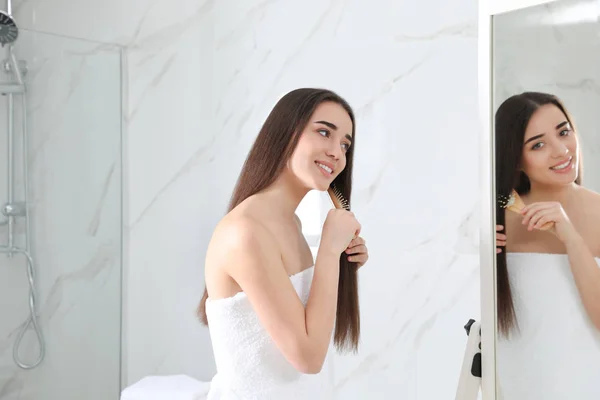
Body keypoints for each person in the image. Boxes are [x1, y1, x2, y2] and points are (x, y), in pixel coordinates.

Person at [197, 88, 370, 399]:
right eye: (323, 132)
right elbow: (307, 357)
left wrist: (344, 259)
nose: (337, 152)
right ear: (287, 132)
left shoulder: (291, 224)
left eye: (345, 144)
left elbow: (306, 323)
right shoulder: (245, 232)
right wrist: (329, 249)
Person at [494, 91, 600, 399]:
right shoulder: (494, 218)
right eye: (538, 144)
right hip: (518, 387)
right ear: (516, 157)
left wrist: (571, 239)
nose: (561, 150)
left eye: (563, 132)